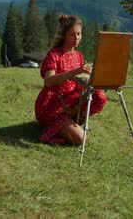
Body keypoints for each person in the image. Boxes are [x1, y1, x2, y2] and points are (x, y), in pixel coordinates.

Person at [35, 15, 106, 145]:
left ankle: (68, 123)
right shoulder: (54, 55)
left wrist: (89, 82)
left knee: (99, 96)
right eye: (72, 35)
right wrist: (76, 71)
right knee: (80, 140)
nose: (77, 38)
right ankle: (55, 127)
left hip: (71, 102)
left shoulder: (79, 56)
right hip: (52, 104)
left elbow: (78, 84)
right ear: (64, 36)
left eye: (79, 34)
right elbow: (48, 81)